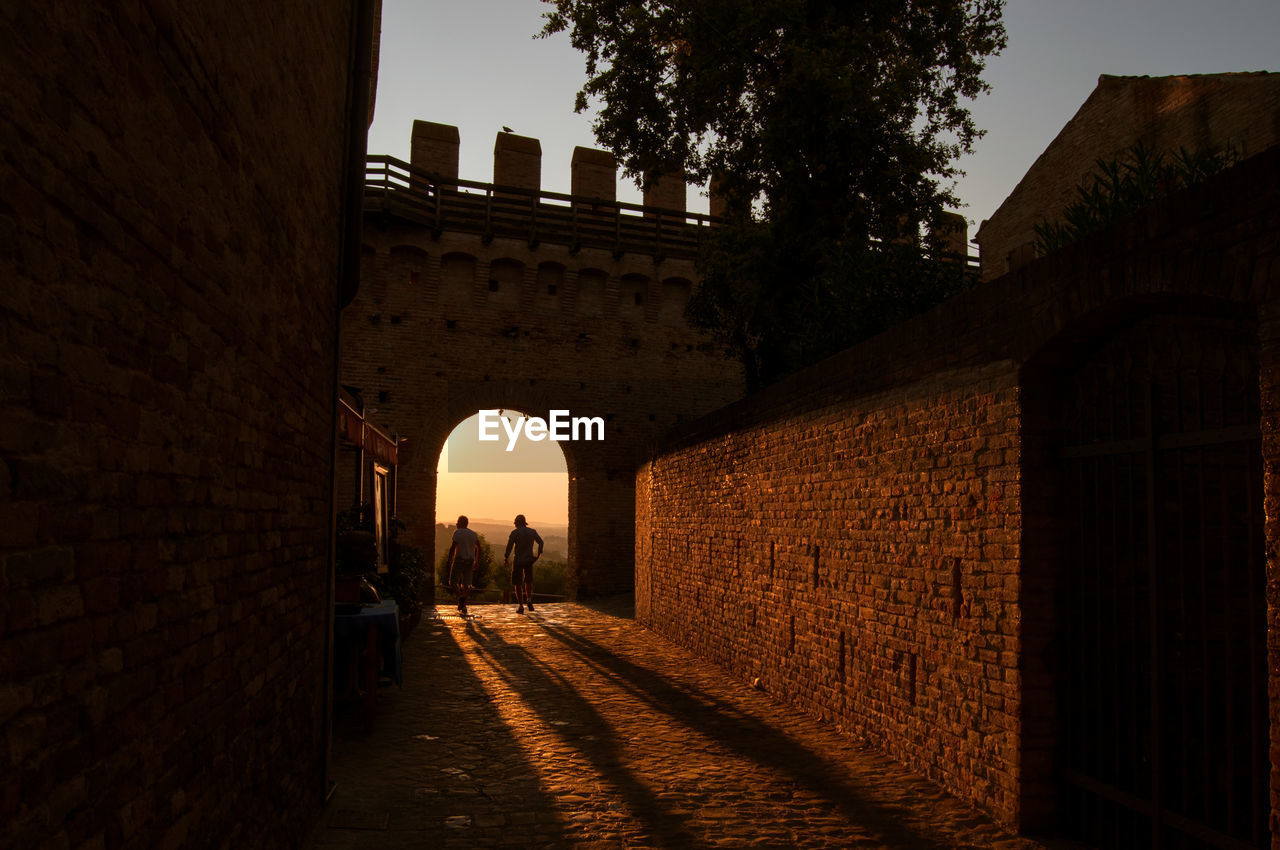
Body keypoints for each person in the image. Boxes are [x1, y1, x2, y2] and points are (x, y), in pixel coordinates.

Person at [503, 514, 543, 614]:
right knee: (528, 581)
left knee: (517, 583)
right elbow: (541, 542)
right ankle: (529, 599)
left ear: (516, 523)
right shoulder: (532, 532)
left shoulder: (514, 533)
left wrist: (506, 557)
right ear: (525, 522)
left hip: (518, 560)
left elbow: (509, 546)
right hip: (529, 559)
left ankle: (521, 605)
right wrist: (538, 555)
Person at [446, 515, 480, 617]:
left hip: (459, 560)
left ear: (461, 523)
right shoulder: (473, 534)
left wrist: (449, 560)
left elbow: (453, 548)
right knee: (467, 585)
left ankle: (460, 598)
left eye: (458, 522)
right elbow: (479, 548)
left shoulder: (457, 533)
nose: (456, 523)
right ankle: (464, 605)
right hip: (470, 561)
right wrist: (477, 561)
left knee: (452, 582)